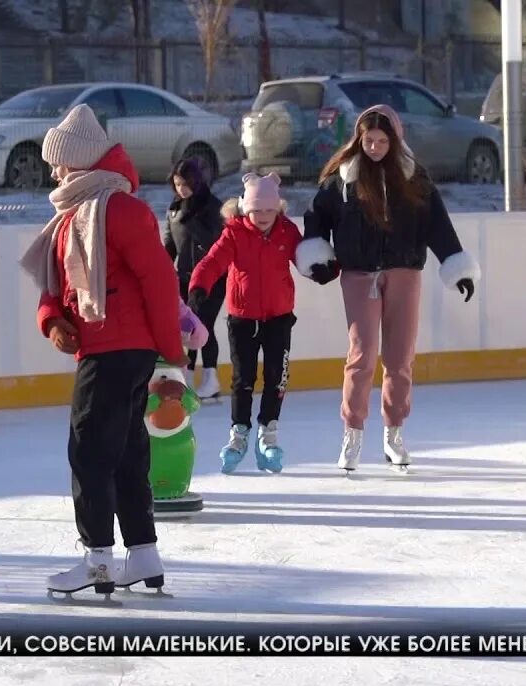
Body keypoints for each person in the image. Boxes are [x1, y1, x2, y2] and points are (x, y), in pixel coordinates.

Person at [19, 104, 186, 598]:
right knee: (126, 453)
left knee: (89, 452)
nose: (54, 172)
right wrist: (51, 323)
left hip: (117, 350)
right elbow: (56, 293)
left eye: (61, 164)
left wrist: (172, 354)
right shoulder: (71, 218)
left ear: (84, 164)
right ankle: (143, 554)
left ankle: (97, 560)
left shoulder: (121, 210)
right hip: (106, 347)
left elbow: (160, 282)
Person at [302, 104, 480, 473]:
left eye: (383, 141)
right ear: (359, 138)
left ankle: (393, 434)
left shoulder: (413, 177)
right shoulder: (342, 178)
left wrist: (456, 265)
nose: (375, 147)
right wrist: (317, 255)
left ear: (395, 140)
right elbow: (317, 217)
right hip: (358, 275)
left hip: (403, 273)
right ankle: (351, 434)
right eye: (369, 140)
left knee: (399, 358)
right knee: (363, 354)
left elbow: (437, 224)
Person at [189, 171, 328, 475]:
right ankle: (239, 434)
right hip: (242, 319)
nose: (263, 216)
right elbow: (212, 262)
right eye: (256, 210)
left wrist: (321, 269)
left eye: (269, 209)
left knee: (277, 376)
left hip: (279, 318)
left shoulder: (287, 231)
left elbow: (303, 257)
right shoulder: (234, 233)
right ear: (244, 209)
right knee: (243, 379)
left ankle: (268, 432)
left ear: (278, 208)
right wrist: (200, 286)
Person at [163, 156, 224, 400]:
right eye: (177, 184)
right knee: (186, 327)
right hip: (184, 277)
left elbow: (215, 241)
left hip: (212, 278)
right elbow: (170, 245)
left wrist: (193, 221)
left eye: (186, 183)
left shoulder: (212, 206)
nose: (181, 189)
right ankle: (186, 376)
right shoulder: (175, 209)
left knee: (203, 325)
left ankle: (211, 377)